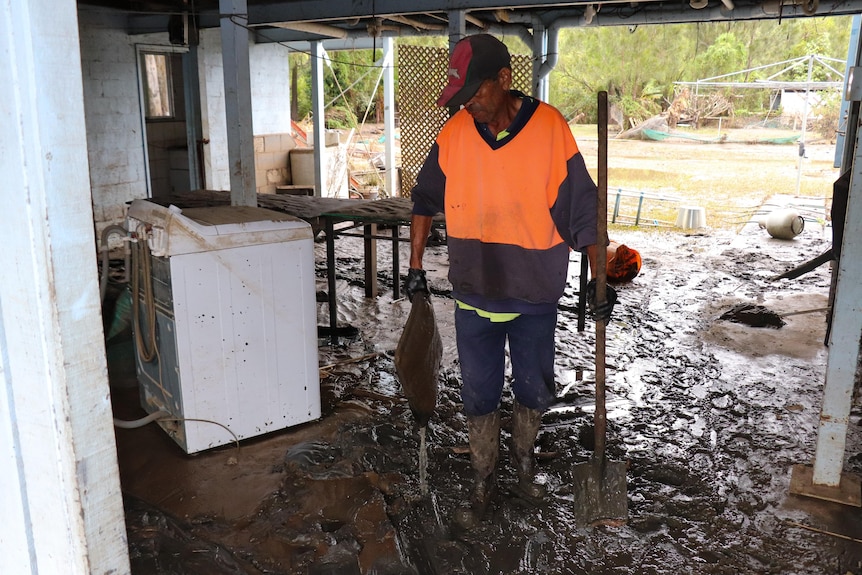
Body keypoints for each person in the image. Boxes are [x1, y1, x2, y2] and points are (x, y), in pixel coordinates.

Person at [404, 34, 617, 529]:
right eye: (461, 97)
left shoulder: (549, 129)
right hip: (475, 289)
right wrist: (416, 267)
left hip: (534, 291)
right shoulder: (455, 133)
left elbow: (582, 210)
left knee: (533, 387)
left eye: (475, 93)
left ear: (504, 79)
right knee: (478, 392)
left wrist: (597, 277)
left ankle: (523, 467)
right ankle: (482, 479)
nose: (468, 105)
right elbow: (422, 199)